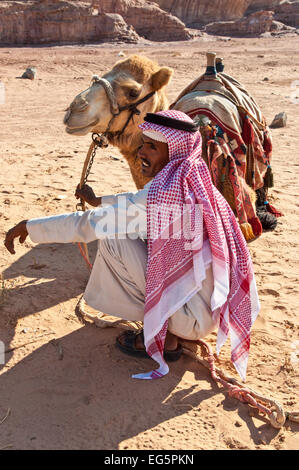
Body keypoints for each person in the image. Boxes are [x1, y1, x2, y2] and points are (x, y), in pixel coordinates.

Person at [4, 110, 260, 381]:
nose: (141, 153)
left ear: (174, 151)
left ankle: (167, 336)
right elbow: (137, 202)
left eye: (152, 146)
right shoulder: (191, 178)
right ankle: (171, 329)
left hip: (190, 318)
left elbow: (91, 224)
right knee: (133, 234)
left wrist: (30, 226)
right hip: (208, 312)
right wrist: (100, 200)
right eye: (143, 144)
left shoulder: (165, 196)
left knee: (115, 238)